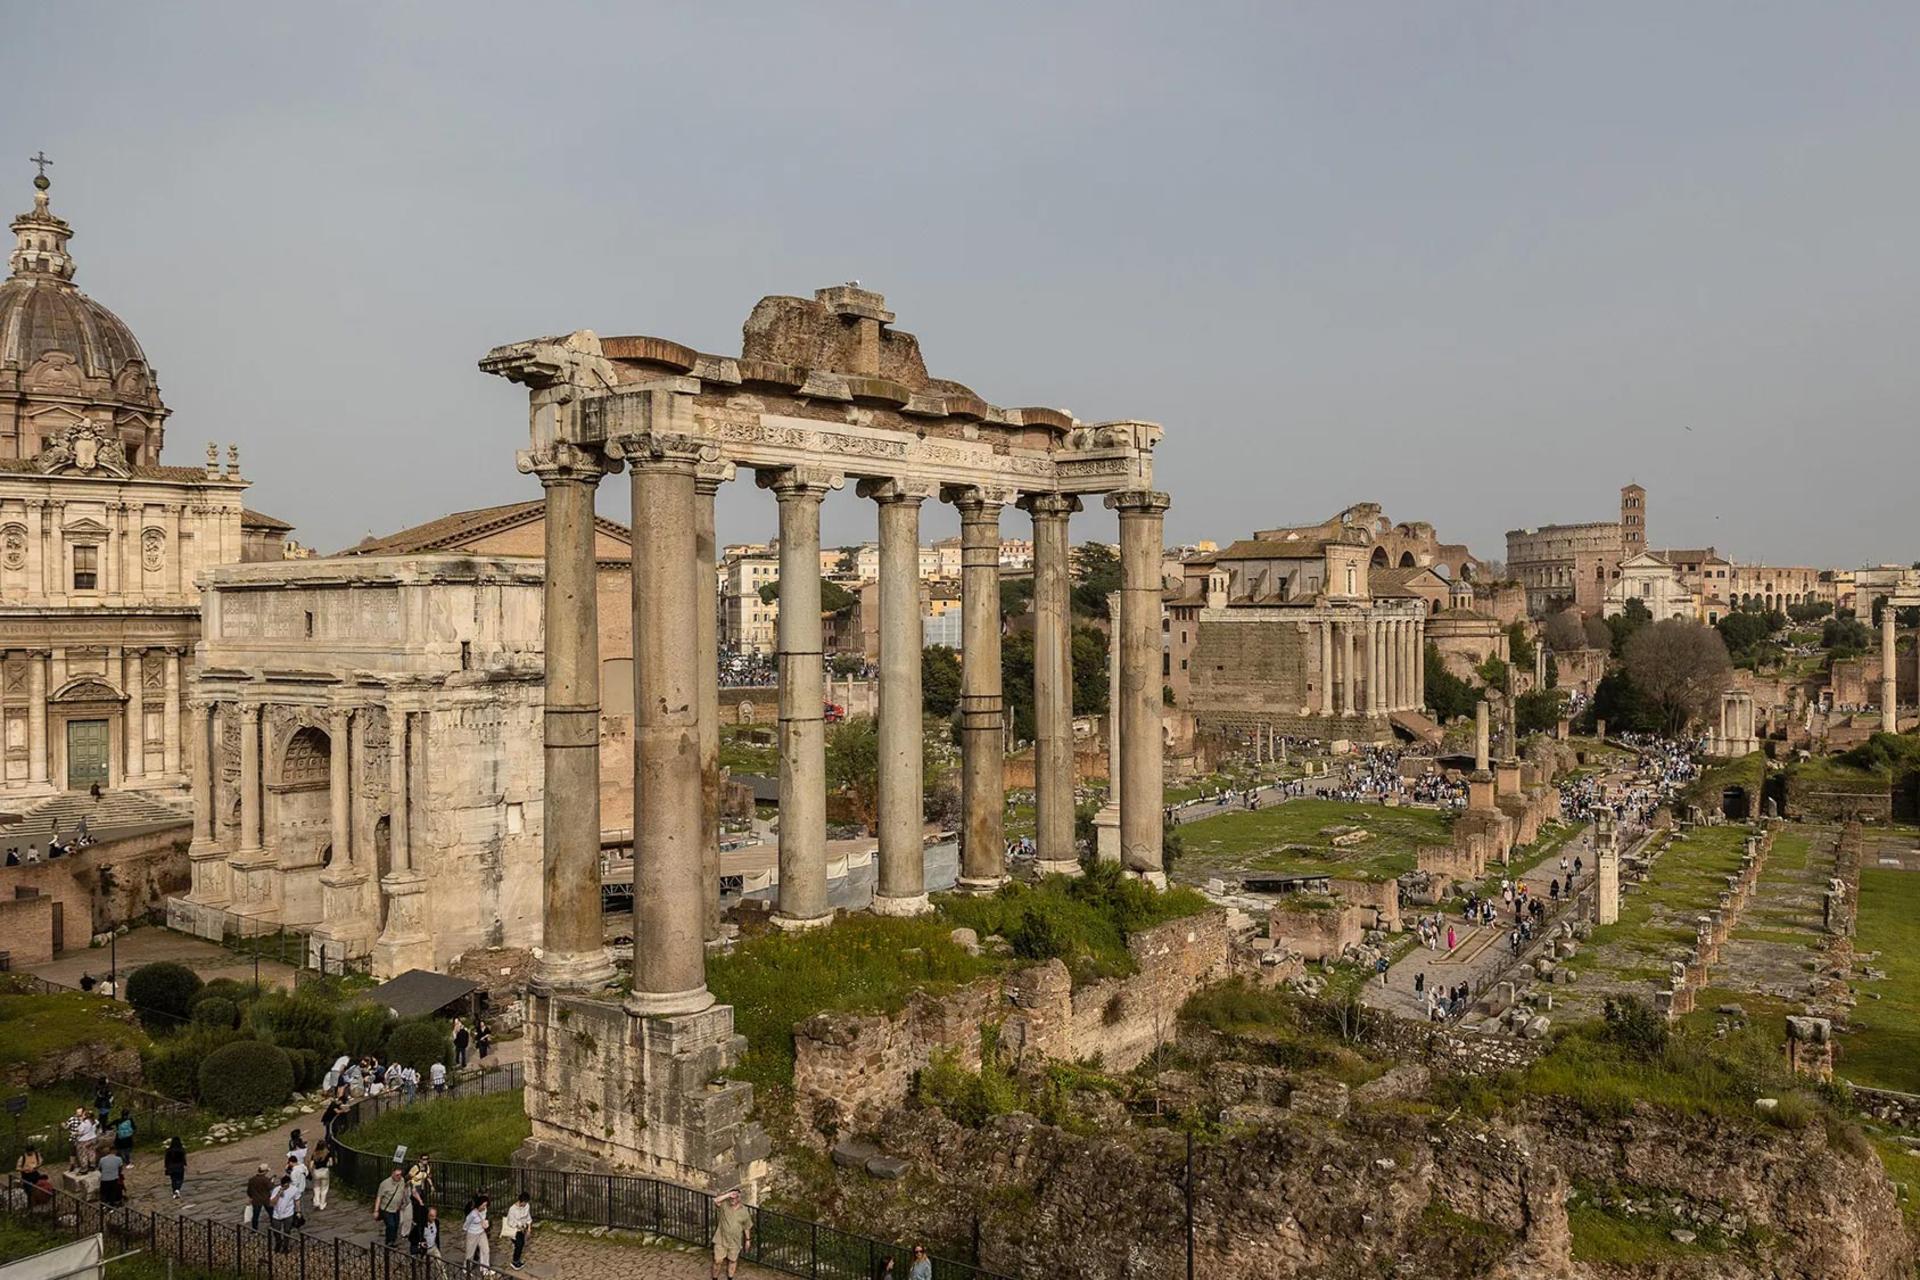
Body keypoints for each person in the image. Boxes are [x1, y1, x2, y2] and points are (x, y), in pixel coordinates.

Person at [710, 1188, 751, 1280]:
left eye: (735, 1198)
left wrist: (748, 1240)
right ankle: (715, 1278)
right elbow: (716, 1200)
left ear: (739, 1198)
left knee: (733, 1260)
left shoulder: (744, 1211)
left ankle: (730, 1278)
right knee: (718, 1260)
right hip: (721, 1239)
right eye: (732, 1198)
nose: (733, 1199)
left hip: (735, 1241)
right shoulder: (724, 1205)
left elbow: (747, 1226)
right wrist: (729, 1194)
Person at [375, 1166, 410, 1245]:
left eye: (400, 1174)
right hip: (387, 1209)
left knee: (396, 1225)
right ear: (392, 1174)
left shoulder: (402, 1181)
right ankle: (388, 1242)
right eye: (397, 1175)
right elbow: (379, 1197)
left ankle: (393, 1241)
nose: (399, 1176)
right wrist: (376, 1210)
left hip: (396, 1208)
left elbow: (402, 1191)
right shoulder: (384, 1184)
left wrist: (402, 1202)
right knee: (391, 1225)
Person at [268, 1174, 298, 1252]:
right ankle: (278, 1242)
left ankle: (285, 1246)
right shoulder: (276, 1190)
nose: (283, 1186)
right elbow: (271, 1203)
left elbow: (297, 1200)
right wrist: (278, 1194)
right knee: (276, 1230)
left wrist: (298, 1211)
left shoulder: (294, 1189)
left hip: (288, 1213)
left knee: (287, 1230)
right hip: (277, 1214)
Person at [504, 1191, 533, 1269]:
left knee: (521, 1243)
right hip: (515, 1229)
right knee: (519, 1244)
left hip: (522, 1229)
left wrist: (529, 1228)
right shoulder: (512, 1209)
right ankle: (515, 1261)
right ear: (521, 1201)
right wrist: (519, 1226)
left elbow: (528, 1217)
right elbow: (510, 1222)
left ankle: (517, 1260)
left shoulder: (527, 1206)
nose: (526, 1204)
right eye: (525, 1202)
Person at [462, 1194, 491, 1271]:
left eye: (486, 1205)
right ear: (479, 1204)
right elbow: (466, 1224)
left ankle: (485, 1269)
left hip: (481, 1232)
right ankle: (466, 1268)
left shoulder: (485, 1210)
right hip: (472, 1234)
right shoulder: (473, 1214)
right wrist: (466, 1232)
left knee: (486, 1250)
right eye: (483, 1205)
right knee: (470, 1253)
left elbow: (485, 1218)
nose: (484, 1207)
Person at [248, 1162, 274, 1230]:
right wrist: (272, 1182)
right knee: (271, 1213)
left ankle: (254, 1229)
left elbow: (249, 1191)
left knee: (255, 1215)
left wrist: (251, 1197)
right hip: (266, 1199)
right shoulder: (265, 1180)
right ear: (265, 1171)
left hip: (256, 1200)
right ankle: (273, 1225)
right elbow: (270, 1187)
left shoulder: (252, 1179)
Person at [310, 1140, 333, 1211]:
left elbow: (311, 1164)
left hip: (316, 1171)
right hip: (324, 1171)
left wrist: (311, 1171)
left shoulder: (314, 1153)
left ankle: (316, 1201)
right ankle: (322, 1204)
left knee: (316, 1187)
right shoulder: (327, 1153)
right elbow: (331, 1162)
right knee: (324, 1188)